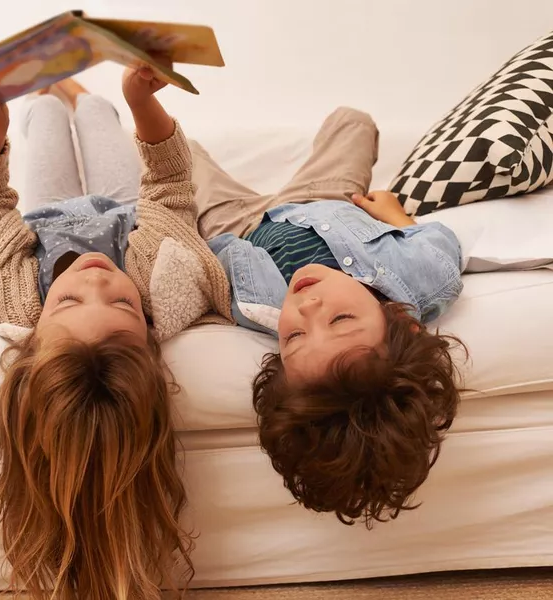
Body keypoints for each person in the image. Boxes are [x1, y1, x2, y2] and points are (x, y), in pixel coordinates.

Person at [0, 67, 233, 599]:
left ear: (33, 334)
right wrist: (143, 105)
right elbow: (170, 190)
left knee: (43, 117)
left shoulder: (13, 296)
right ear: (150, 332)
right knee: (99, 112)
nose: (97, 278)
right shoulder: (166, 280)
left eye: (67, 300)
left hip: (43, 214)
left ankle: (47, 85)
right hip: (126, 208)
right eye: (123, 304)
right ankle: (78, 89)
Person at [191, 107, 467, 527]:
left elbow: (215, 257)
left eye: (295, 337)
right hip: (325, 200)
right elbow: (441, 241)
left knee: (183, 150)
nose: (307, 308)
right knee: (353, 121)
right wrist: (395, 215)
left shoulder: (251, 308)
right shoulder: (426, 279)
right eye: (341, 320)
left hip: (241, 221)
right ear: (398, 319)